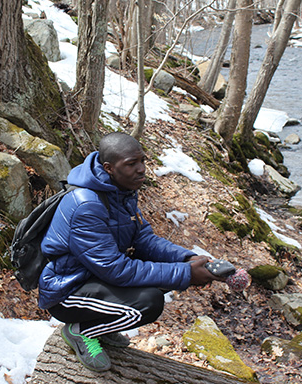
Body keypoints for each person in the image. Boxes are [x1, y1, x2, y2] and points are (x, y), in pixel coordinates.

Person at [39, 132, 219, 372]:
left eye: (142, 160)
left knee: (158, 273)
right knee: (149, 303)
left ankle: (104, 326)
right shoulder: (87, 205)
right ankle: (80, 331)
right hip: (68, 291)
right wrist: (186, 274)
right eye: (131, 164)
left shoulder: (120, 191)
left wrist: (186, 258)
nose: (142, 169)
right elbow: (115, 269)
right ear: (109, 167)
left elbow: (144, 240)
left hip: (95, 278)